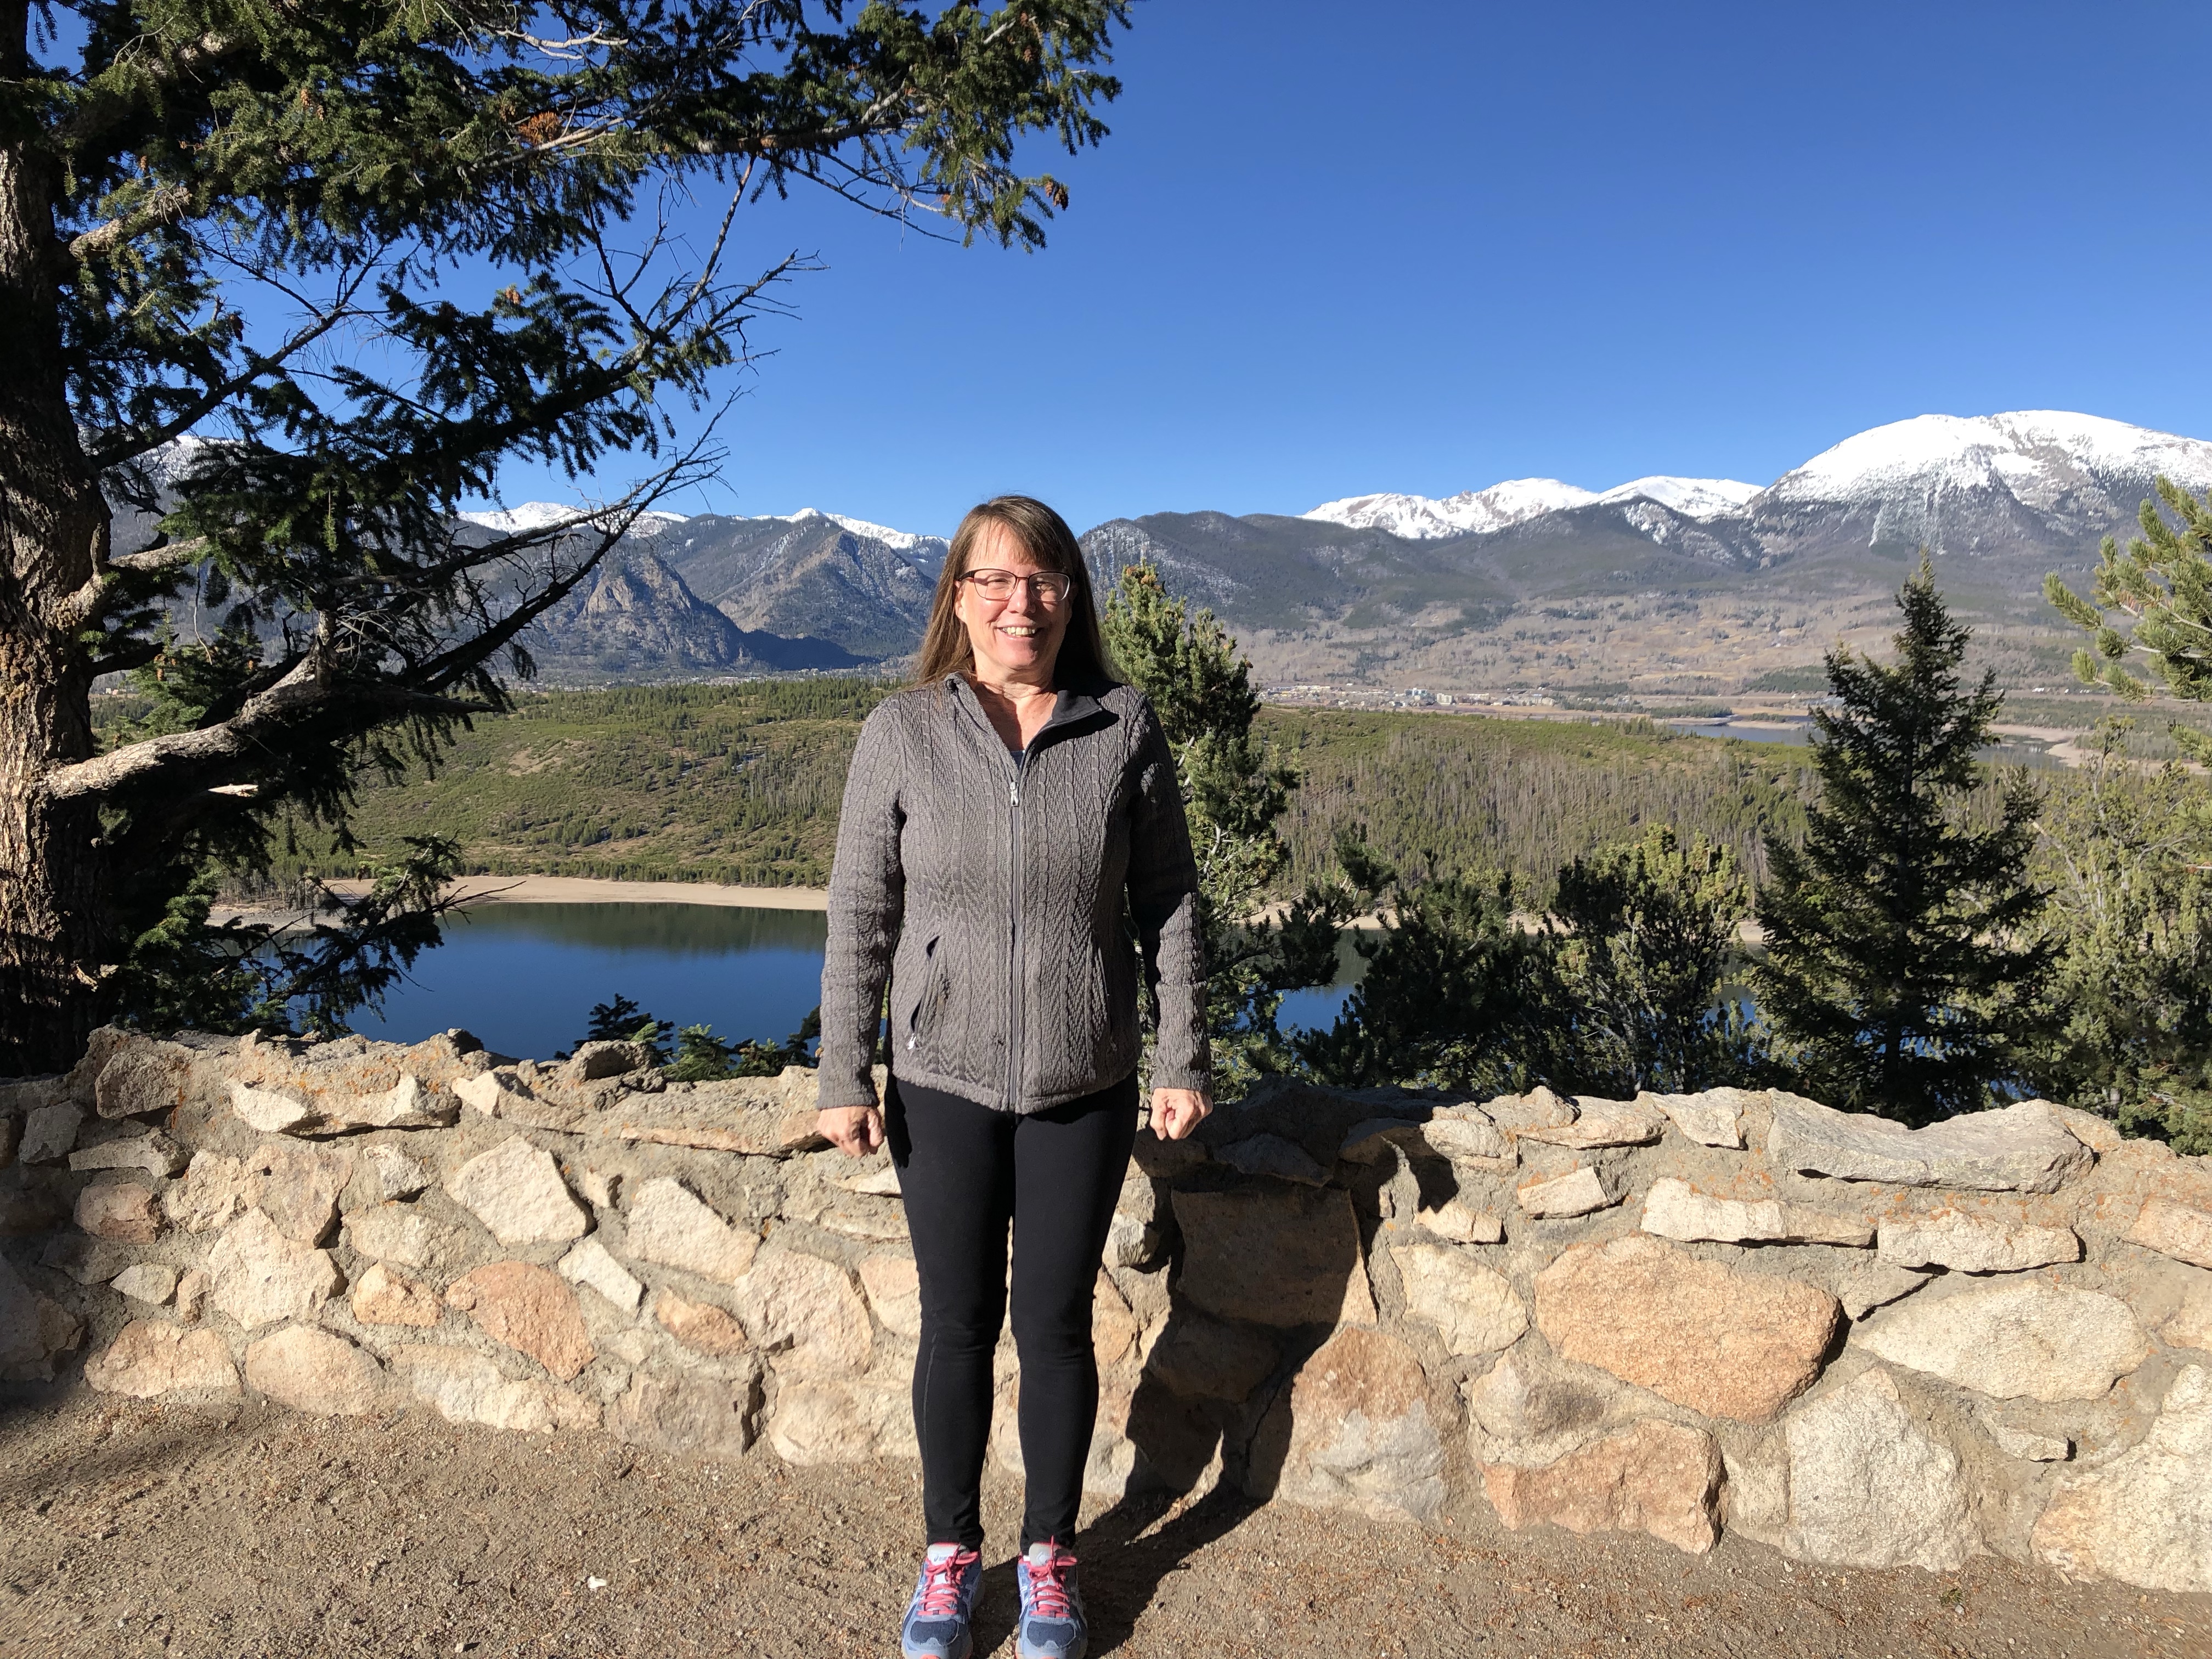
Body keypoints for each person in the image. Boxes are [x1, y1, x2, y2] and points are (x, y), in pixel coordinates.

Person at [815, 495, 1212, 1659]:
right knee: (955, 1326)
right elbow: (860, 910)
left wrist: (1181, 1055)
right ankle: (950, 1558)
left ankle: (1049, 1557)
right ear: (959, 598)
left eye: (1041, 581)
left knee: (1055, 1326)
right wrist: (844, 1069)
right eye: (994, 580)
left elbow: (1170, 906)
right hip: (940, 1080)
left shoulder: (1121, 727)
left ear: (1070, 599)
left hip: (1083, 1080)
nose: (1018, 603)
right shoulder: (902, 730)